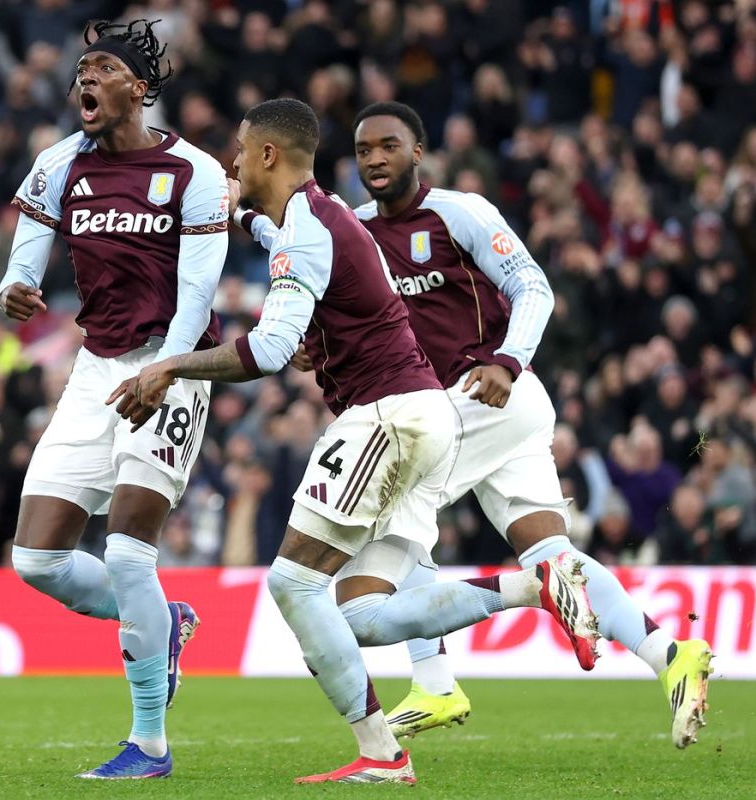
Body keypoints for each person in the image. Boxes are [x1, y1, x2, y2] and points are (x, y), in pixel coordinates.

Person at [117, 98, 598, 785]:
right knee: (363, 616)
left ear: (268, 156)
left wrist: (169, 365)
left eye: (240, 150)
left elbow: (271, 348)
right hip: (415, 416)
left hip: (386, 418)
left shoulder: (309, 227)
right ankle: (535, 585)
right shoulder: (317, 217)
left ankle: (382, 753)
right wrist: (245, 215)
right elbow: (286, 247)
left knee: (292, 583)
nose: (231, 162)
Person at [250, 102, 712, 748]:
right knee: (553, 556)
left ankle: (436, 681)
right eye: (363, 150)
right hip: (470, 411)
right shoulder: (350, 229)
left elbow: (533, 286)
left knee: (381, 542)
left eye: (389, 145)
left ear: (420, 151)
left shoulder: (459, 212)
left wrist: (508, 360)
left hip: (478, 396)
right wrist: (310, 345)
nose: (375, 159)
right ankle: (670, 655)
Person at [0, 20, 230, 780]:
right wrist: (13, 290)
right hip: (96, 370)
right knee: (36, 559)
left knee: (128, 553)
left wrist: (163, 372)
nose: (83, 83)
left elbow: (198, 296)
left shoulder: (192, 172)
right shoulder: (60, 164)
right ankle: (165, 623)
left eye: (100, 70)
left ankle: (149, 743)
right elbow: (21, 262)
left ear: (140, 88)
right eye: (79, 72)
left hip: (174, 366)